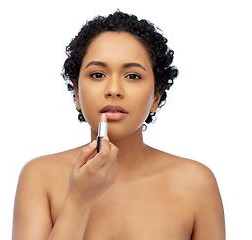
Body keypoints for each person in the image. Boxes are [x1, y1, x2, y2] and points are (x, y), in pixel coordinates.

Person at [12, 11, 225, 240]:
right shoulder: (39, 177)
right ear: (76, 92)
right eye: (97, 74)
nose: (113, 89)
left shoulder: (195, 183)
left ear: (156, 96)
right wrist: (78, 200)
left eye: (132, 76)